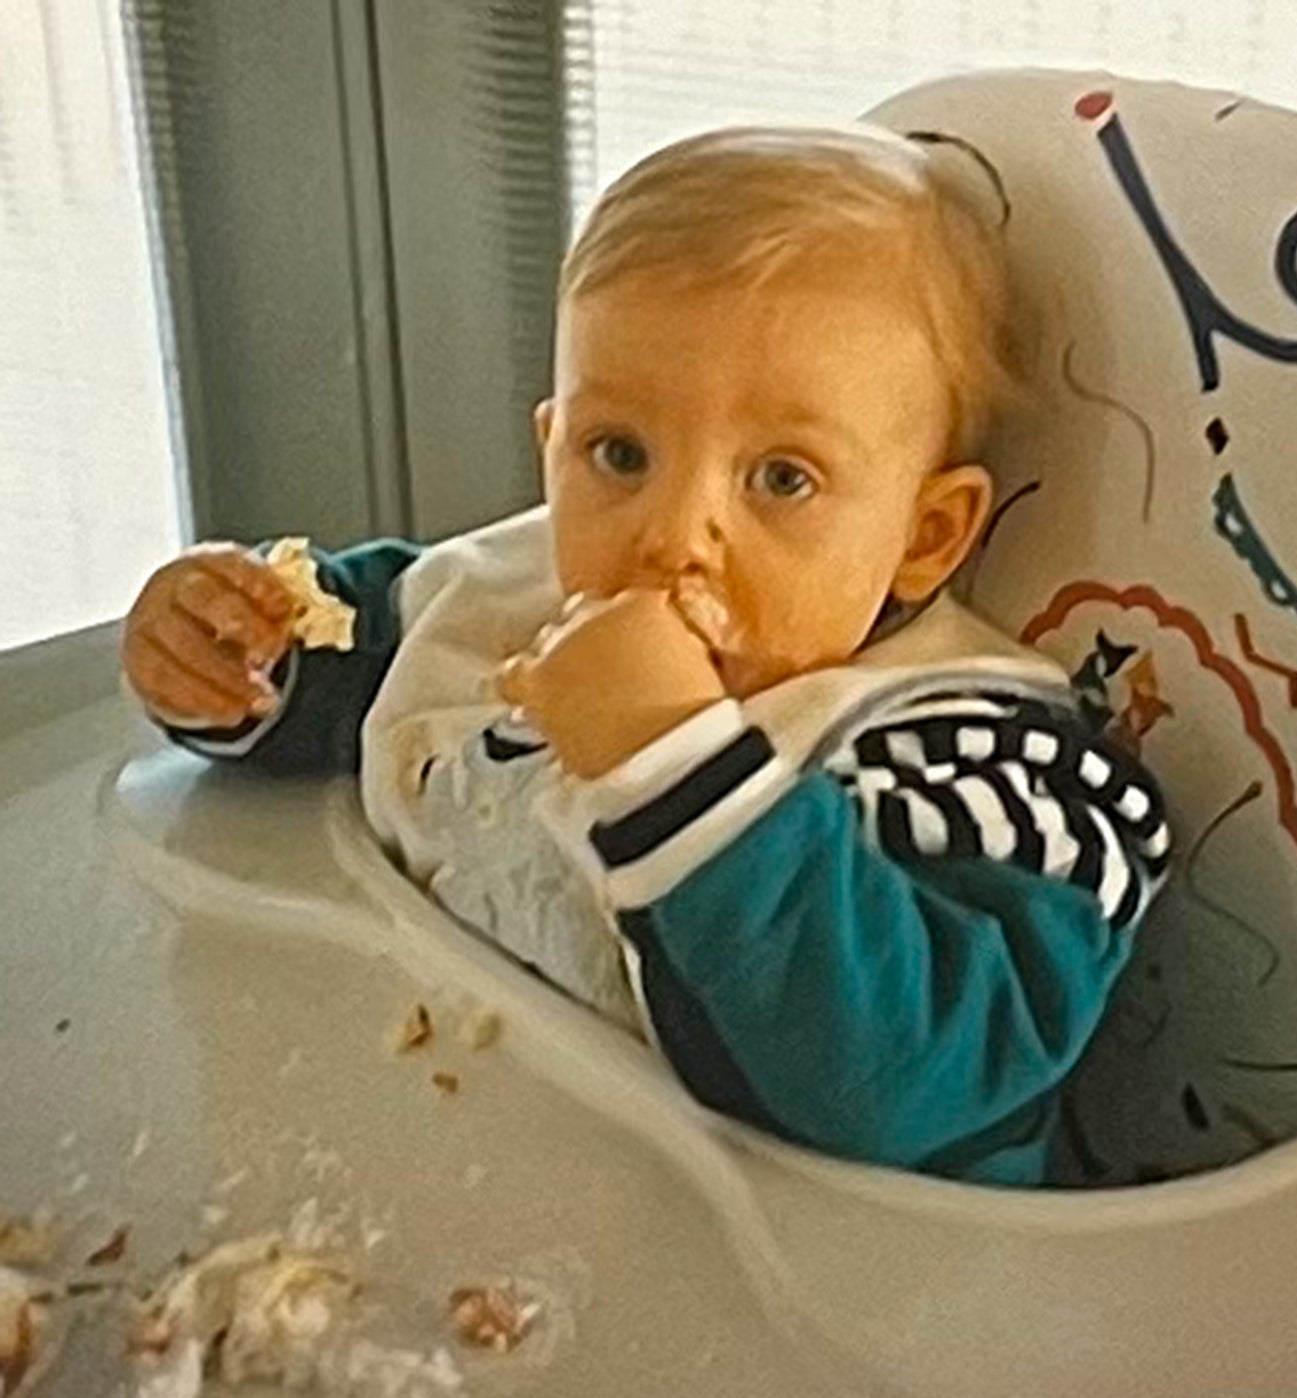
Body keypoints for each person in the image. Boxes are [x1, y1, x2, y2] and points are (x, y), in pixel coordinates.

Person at [122, 124, 1171, 1185]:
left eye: (781, 478)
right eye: (617, 453)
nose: (669, 533)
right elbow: (352, 662)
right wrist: (229, 646)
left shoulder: (997, 771)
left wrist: (672, 762)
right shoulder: (503, 596)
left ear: (924, 534)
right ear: (550, 448)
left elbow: (893, 1083)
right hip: (446, 1162)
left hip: (816, 1307)